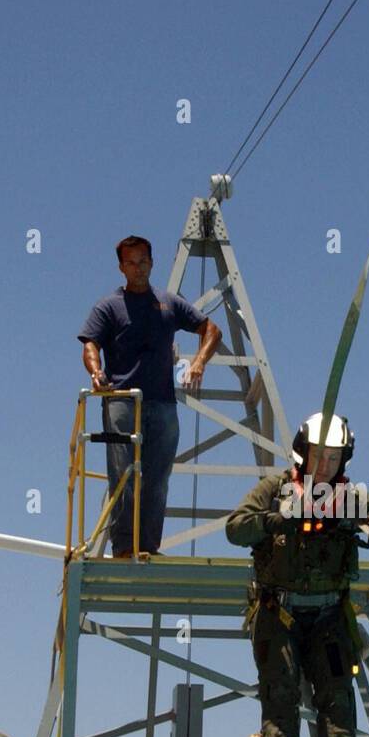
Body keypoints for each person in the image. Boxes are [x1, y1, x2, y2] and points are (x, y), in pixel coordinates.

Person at [225, 412, 369, 737]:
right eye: (317, 456)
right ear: (302, 453)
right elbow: (236, 528)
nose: (324, 465)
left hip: (328, 617)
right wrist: (278, 518)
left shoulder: (352, 498)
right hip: (280, 613)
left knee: (336, 703)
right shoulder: (275, 489)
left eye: (332, 457)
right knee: (280, 695)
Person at [77, 235, 221, 557]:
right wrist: (95, 371)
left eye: (143, 261)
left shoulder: (169, 303)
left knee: (157, 479)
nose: (138, 268)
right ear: (121, 268)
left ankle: (148, 547)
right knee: (125, 474)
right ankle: (125, 546)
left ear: (152, 263)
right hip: (122, 400)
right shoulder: (109, 305)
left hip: (162, 404)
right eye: (131, 263)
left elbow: (211, 329)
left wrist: (199, 362)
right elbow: (90, 344)